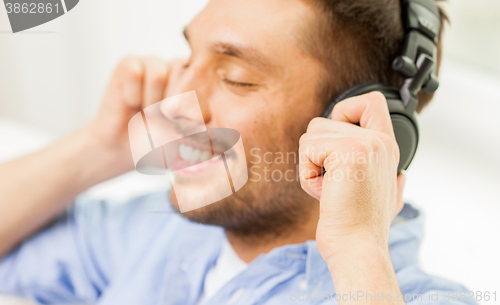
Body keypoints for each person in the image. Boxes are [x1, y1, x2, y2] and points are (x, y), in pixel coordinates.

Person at [0, 0, 475, 304]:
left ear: (347, 122)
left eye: (236, 79)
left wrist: (358, 253)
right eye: (188, 59)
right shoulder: (155, 231)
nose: (173, 106)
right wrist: (100, 148)